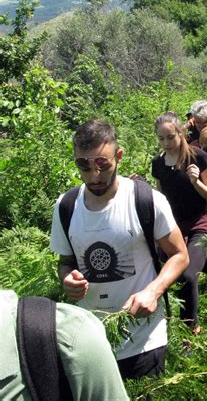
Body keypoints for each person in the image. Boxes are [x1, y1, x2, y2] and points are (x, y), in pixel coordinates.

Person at [50, 119, 189, 381]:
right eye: (84, 166)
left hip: (144, 337)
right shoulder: (66, 206)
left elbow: (180, 255)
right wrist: (66, 278)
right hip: (90, 340)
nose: (95, 176)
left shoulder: (146, 200)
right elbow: (66, 261)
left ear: (119, 156)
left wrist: (153, 291)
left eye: (103, 164)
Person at [0, 288, 129, 401]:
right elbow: (66, 264)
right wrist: (67, 277)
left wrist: (150, 292)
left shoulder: (72, 336)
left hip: (136, 343)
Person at [152, 112, 207, 334]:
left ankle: (191, 328)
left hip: (200, 224)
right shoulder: (158, 164)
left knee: (187, 274)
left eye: (170, 137)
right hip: (174, 228)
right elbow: (161, 199)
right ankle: (170, 323)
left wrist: (195, 181)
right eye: (161, 138)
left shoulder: (198, 157)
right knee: (169, 274)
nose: (166, 143)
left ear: (181, 133)